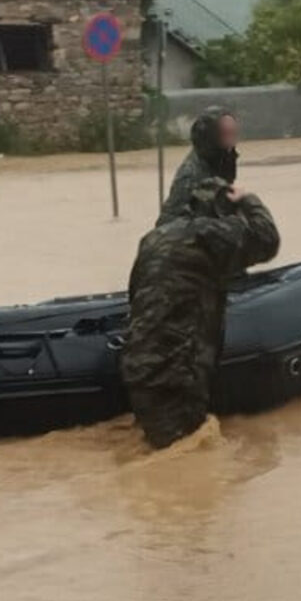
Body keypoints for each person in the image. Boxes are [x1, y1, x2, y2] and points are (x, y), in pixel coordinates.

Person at [122, 177, 281, 449]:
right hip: (176, 376)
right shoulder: (210, 235)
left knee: (158, 452)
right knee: (184, 465)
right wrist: (247, 199)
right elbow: (268, 239)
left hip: (137, 368)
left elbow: (134, 295)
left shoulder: (151, 239)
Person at [157, 108, 239, 229]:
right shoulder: (191, 173)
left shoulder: (222, 159)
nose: (231, 141)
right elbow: (173, 219)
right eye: (226, 134)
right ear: (211, 136)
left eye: (233, 133)